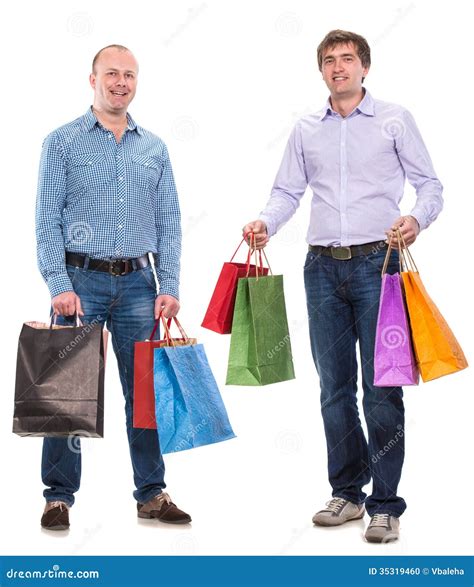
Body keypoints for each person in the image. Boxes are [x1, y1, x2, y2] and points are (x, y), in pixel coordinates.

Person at [243, 29, 443, 543]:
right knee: (334, 388)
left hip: (380, 267)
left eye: (347, 59)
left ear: (364, 68)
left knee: (382, 389)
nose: (338, 68)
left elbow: (431, 186)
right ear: (322, 71)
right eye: (329, 60)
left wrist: (416, 221)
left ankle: (385, 503)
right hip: (322, 270)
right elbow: (287, 191)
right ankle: (348, 493)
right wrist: (267, 222)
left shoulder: (395, 120)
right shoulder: (306, 129)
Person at [36, 44, 191, 530]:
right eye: (111, 74)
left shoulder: (154, 147)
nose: (120, 82)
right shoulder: (61, 142)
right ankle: (58, 497)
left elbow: (169, 222)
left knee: (144, 391)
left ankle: (151, 492)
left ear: (136, 81)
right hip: (81, 283)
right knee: (68, 392)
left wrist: (172, 285)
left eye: (129, 75)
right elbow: (46, 220)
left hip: (142, 286)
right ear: (92, 79)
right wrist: (59, 283)